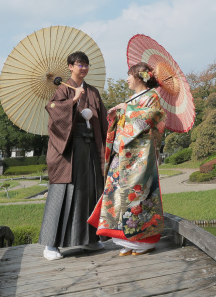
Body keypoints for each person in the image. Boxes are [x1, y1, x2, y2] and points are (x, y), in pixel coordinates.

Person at [88, 61, 166, 256]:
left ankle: (143, 241)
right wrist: (117, 115)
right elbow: (123, 124)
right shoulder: (133, 97)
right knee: (116, 192)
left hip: (140, 156)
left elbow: (153, 116)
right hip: (123, 153)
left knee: (138, 195)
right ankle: (125, 239)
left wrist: (128, 110)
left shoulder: (152, 96)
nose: (127, 79)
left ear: (140, 77)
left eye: (129, 75)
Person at [39, 51, 107, 261]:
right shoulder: (62, 89)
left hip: (89, 149)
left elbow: (104, 119)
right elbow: (53, 112)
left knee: (89, 192)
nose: (83, 67)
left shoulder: (93, 91)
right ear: (70, 67)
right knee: (63, 192)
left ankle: (89, 240)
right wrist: (73, 103)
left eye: (86, 64)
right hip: (68, 151)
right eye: (79, 64)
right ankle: (51, 245)